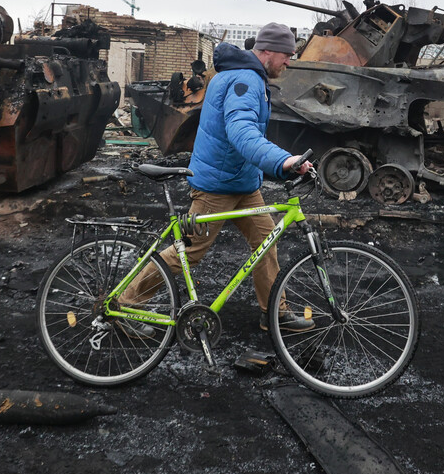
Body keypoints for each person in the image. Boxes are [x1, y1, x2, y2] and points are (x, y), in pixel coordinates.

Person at [121, 22, 314, 334]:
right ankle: (127, 306)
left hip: (241, 182)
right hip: (218, 186)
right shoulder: (246, 80)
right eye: (287, 54)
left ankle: (275, 313)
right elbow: (241, 132)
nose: (290, 61)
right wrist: (284, 160)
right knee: (189, 253)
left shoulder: (241, 74)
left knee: (266, 243)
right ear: (266, 51)